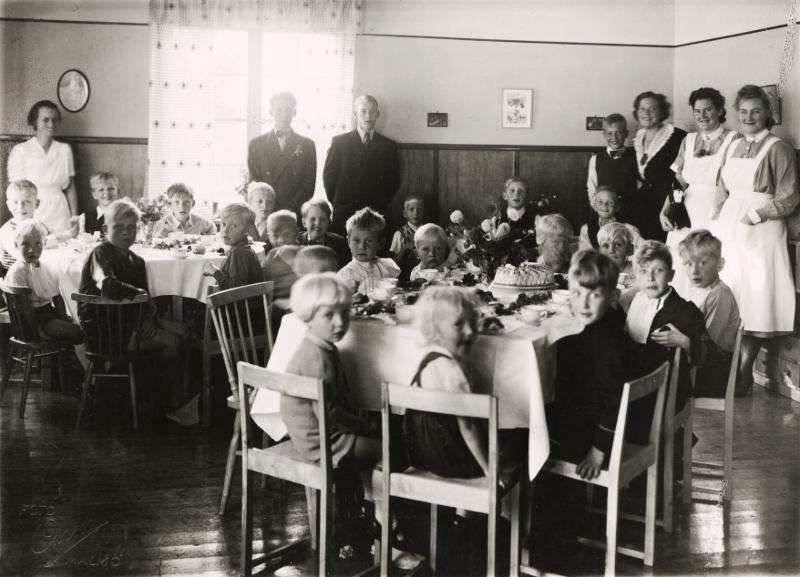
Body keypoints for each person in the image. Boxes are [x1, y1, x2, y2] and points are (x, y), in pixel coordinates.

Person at [711, 84, 799, 396]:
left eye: (756, 111)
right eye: (744, 111)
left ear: (767, 113)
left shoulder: (778, 148)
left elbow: (789, 197)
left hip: (761, 231)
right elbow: (722, 188)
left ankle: (744, 371)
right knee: (732, 295)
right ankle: (727, 368)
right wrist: (717, 218)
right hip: (730, 229)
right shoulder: (734, 145)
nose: (749, 117)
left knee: (755, 301)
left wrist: (755, 216)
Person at [77, 200, 184, 402]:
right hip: (106, 331)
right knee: (172, 343)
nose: (126, 232)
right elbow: (108, 285)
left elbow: (143, 301)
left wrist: (146, 318)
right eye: (119, 227)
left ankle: (147, 385)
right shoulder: (100, 253)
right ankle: (167, 401)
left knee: (183, 331)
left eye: (131, 227)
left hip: (128, 325)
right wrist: (140, 295)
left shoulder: (137, 261)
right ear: (105, 229)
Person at [403, 286, 488, 479]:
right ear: (434, 330)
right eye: (458, 325)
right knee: (514, 441)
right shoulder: (451, 371)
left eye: (472, 322)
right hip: (456, 462)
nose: (470, 331)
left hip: (425, 458)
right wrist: (489, 469)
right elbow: (468, 427)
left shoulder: (427, 358)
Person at [661, 88, 737, 296]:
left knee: (705, 260)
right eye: (697, 111)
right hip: (684, 212)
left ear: (719, 110)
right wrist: (665, 209)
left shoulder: (733, 139)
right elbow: (679, 180)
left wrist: (720, 214)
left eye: (708, 110)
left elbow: (730, 182)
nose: (702, 115)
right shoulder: (688, 140)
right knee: (680, 261)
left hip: (714, 209)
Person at [624, 240, 712, 412]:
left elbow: (708, 353)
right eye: (643, 271)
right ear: (636, 276)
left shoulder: (686, 311)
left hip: (666, 392)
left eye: (658, 270)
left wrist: (684, 341)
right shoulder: (636, 300)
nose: (650, 278)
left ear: (671, 275)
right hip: (636, 380)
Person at [4, 220, 86, 367]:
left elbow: (57, 297)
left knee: (81, 326)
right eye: (25, 244)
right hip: (30, 323)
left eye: (38, 244)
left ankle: (82, 370)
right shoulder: (18, 271)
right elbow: (26, 309)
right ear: (16, 245)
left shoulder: (46, 267)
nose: (32, 250)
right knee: (79, 332)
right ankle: (90, 374)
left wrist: (63, 318)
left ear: (45, 244)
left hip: (47, 315)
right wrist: (39, 330)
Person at [323, 95, 401, 235]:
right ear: (355, 114)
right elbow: (329, 177)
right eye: (363, 111)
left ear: (377, 114)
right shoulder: (340, 142)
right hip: (345, 210)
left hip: (375, 210)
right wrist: (339, 202)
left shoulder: (388, 145)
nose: (368, 116)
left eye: (372, 111)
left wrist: (380, 202)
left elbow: (393, 180)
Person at [678, 230, 741, 398]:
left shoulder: (720, 294)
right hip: (701, 362)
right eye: (688, 263)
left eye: (703, 263)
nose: (694, 271)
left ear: (720, 264)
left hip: (714, 372)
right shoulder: (698, 289)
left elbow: (709, 343)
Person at [7, 100, 77, 235]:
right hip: (32, 207)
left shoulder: (64, 150)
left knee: (62, 243)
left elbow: (70, 186)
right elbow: (15, 189)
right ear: (35, 122)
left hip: (60, 210)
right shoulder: (21, 150)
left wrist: (75, 217)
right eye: (46, 120)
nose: (51, 124)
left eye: (54, 120)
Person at [247, 92, 316, 220]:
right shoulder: (256, 145)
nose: (284, 115)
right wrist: (268, 208)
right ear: (271, 112)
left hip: (293, 214)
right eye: (279, 110)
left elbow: (308, 185)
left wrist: (288, 211)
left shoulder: (307, 145)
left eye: (288, 110)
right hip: (265, 213)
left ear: (294, 112)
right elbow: (255, 183)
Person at [630, 92, 686, 241]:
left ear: (662, 111)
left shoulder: (677, 137)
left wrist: (672, 209)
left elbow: (681, 178)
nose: (646, 113)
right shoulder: (638, 138)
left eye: (652, 109)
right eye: (642, 109)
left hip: (666, 208)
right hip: (642, 209)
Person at [586, 114, 640, 223]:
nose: (614, 137)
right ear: (604, 135)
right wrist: (600, 211)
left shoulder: (636, 157)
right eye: (610, 133)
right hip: (604, 215)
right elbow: (592, 188)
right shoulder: (595, 159)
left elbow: (640, 187)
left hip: (630, 214)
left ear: (626, 134)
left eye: (618, 133)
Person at [202, 202, 263, 291]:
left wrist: (214, 271)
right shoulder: (244, 249)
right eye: (224, 224)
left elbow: (236, 290)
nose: (225, 230)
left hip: (241, 300)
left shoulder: (239, 253)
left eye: (234, 225)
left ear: (248, 230)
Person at [337, 207, 400, 293]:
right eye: (356, 240)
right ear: (349, 242)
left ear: (380, 243)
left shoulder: (386, 266)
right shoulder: (346, 274)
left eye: (369, 241)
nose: (362, 247)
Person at [1, 180, 47, 274]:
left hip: (34, 272)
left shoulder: (39, 226)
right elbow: (22, 254)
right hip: (13, 276)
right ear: (9, 205)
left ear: (37, 203)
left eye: (27, 201)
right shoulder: (7, 230)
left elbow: (48, 243)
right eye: (15, 202)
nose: (21, 207)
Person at [579, 186, 641, 250]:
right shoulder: (586, 229)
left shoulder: (629, 229)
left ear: (617, 207)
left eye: (610, 202)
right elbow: (583, 253)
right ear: (595, 206)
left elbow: (641, 249)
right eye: (600, 202)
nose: (604, 205)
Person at [261, 210, 301, 307]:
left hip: (297, 302)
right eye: (275, 235)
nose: (281, 240)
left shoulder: (303, 254)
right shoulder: (272, 254)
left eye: (286, 234)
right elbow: (265, 280)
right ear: (268, 236)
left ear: (296, 233)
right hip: (274, 303)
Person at [296, 198, 349, 268]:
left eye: (322, 219)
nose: (317, 223)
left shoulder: (339, 243)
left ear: (329, 222)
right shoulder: (296, 241)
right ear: (304, 222)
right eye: (313, 219)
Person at [389, 195, 424, 279]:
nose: (416, 213)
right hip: (406, 278)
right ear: (405, 214)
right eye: (411, 210)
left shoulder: (429, 231)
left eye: (419, 210)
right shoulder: (399, 234)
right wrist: (404, 249)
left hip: (426, 275)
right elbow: (394, 265)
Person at [597, 222, 636, 289]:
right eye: (605, 246)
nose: (611, 250)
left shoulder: (637, 273)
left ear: (630, 249)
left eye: (618, 245)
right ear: (599, 251)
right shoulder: (597, 274)